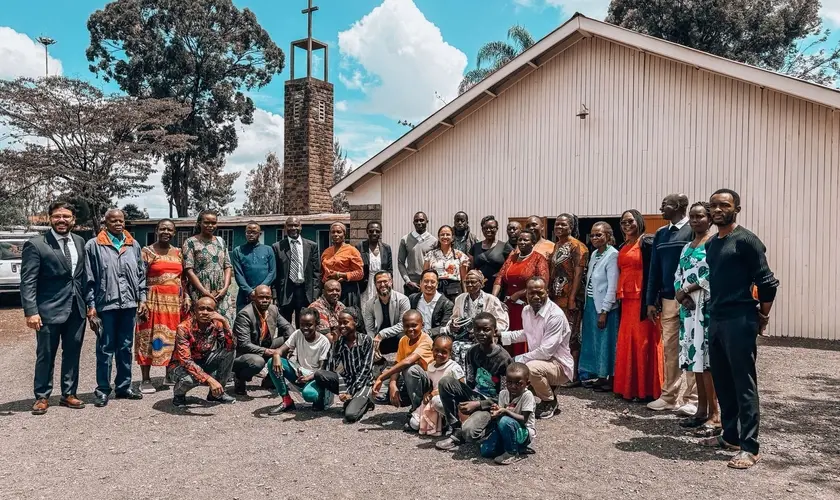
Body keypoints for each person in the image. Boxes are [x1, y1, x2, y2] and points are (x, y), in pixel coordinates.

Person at [700, 189, 779, 469]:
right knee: (723, 380)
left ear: (737, 209)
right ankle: (730, 436)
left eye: (725, 205)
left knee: (743, 382)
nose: (718, 209)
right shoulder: (711, 244)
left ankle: (750, 446)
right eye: (714, 205)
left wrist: (763, 315)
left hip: (740, 318)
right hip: (717, 318)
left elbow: (768, 282)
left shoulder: (746, 241)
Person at [21, 201, 89, 414]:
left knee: (72, 353)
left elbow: (81, 277)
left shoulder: (79, 241)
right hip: (48, 311)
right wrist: (31, 311)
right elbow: (28, 281)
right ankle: (42, 396)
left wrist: (89, 305)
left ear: (73, 220)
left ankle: (69, 394)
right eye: (57, 216)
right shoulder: (37, 244)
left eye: (66, 216)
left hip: (76, 309)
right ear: (50, 218)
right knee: (46, 355)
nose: (62, 220)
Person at [85, 208, 148, 407]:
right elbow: (89, 279)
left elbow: (141, 275)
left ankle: (123, 387)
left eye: (121, 220)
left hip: (129, 305)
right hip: (106, 306)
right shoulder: (94, 245)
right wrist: (91, 305)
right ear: (106, 223)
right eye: (113, 221)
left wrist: (142, 299)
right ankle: (102, 389)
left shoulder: (133, 244)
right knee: (105, 348)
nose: (118, 224)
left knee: (125, 347)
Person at [645, 194, 698, 415]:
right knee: (670, 349)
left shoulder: (694, 231)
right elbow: (654, 269)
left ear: (678, 207)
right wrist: (650, 300)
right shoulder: (661, 234)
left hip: (692, 300)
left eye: (665, 204)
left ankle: (693, 399)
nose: (660, 208)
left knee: (693, 347)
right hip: (668, 299)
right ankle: (669, 396)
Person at [435, 313, 512, 451]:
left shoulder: (504, 359)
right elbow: (470, 381)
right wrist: (465, 400)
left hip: (492, 404)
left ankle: (489, 427)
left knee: (469, 433)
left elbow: (505, 396)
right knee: (445, 382)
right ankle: (456, 430)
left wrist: (478, 405)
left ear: (495, 331)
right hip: (475, 395)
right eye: (477, 329)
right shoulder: (472, 352)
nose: (481, 333)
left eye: (486, 329)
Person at [674, 202, 720, 433]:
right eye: (692, 216)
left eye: (700, 216)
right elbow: (678, 273)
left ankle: (715, 413)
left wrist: (689, 289)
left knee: (708, 361)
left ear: (710, 219)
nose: (694, 220)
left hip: (706, 308)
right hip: (689, 311)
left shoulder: (713, 244)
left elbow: (714, 273)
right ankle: (701, 410)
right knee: (696, 361)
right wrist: (680, 294)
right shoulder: (687, 247)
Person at [500, 276, 572, 420]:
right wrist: (501, 336)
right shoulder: (526, 310)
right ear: (526, 293)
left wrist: (517, 359)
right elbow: (526, 333)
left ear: (547, 292)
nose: (536, 296)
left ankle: (549, 401)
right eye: (532, 293)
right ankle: (544, 388)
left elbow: (546, 352)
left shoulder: (555, 316)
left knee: (529, 368)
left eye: (540, 292)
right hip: (542, 362)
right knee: (524, 367)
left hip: (559, 365)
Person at [613, 210, 663, 401]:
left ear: (639, 222)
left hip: (643, 300)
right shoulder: (624, 245)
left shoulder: (647, 242)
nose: (627, 225)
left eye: (631, 221)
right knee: (628, 342)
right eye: (624, 222)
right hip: (627, 301)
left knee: (643, 344)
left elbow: (654, 272)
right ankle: (629, 387)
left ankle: (646, 390)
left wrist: (652, 302)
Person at [136, 219, 188, 394]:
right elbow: (140, 278)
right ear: (156, 230)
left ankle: (169, 374)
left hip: (174, 302)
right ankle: (145, 379)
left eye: (170, 229)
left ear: (174, 233)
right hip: (153, 301)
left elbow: (183, 278)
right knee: (148, 337)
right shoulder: (147, 252)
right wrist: (141, 301)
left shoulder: (179, 252)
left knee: (173, 338)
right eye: (163, 228)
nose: (166, 232)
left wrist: (186, 295)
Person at [311, 308, 376, 423]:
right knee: (320, 374)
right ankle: (351, 400)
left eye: (345, 322)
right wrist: (334, 344)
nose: (341, 326)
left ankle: (366, 401)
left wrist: (349, 392)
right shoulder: (340, 342)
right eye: (340, 323)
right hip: (347, 379)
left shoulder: (366, 340)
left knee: (350, 415)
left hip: (363, 383)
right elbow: (330, 369)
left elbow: (365, 371)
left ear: (355, 322)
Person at [169, 297, 237, 406]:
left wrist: (225, 323)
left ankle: (216, 394)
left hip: (203, 359)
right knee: (191, 379)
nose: (205, 313)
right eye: (201, 309)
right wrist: (210, 380)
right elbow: (186, 361)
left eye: (209, 309)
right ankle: (179, 394)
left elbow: (231, 347)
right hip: (180, 365)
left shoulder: (217, 324)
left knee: (229, 353)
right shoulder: (184, 328)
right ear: (194, 311)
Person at [493, 229, 549, 357]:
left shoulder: (538, 259)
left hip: (527, 304)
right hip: (509, 305)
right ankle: (508, 366)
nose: (522, 242)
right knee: (507, 336)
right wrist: (494, 298)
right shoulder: (512, 257)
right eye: (520, 240)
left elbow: (542, 282)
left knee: (522, 336)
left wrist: (518, 294)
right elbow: (500, 277)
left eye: (526, 240)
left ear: (533, 242)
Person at [548, 214, 589, 387]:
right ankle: (560, 371)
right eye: (557, 224)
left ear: (571, 226)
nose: (559, 227)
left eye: (563, 224)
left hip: (570, 298)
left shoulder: (578, 247)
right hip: (556, 298)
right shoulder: (557, 244)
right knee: (558, 335)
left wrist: (572, 298)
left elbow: (579, 274)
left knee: (572, 335)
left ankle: (574, 375)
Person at [266, 307, 332, 415]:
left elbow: (322, 369)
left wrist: (308, 378)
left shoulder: (324, 342)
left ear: (317, 324)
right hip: (300, 374)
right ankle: (286, 400)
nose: (305, 328)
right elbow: (280, 349)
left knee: (309, 395)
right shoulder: (297, 334)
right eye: (302, 325)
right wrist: (276, 355)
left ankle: (320, 398)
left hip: (315, 377)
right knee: (271, 362)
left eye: (309, 325)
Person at [372, 310, 435, 421]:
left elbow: (407, 361)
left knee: (410, 369)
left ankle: (418, 410)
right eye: (407, 326)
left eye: (414, 325)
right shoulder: (403, 340)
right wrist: (392, 384)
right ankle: (408, 400)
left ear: (422, 325)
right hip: (411, 381)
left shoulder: (426, 340)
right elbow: (397, 363)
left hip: (428, 383)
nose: (410, 329)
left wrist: (381, 377)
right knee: (376, 393)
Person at [232, 285, 295, 395]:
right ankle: (239, 377)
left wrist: (290, 345)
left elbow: (287, 327)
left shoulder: (273, 309)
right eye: (261, 297)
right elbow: (244, 344)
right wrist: (266, 351)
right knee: (258, 362)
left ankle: (270, 379)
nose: (265, 300)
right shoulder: (245, 314)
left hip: (264, 344)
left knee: (287, 342)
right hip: (244, 354)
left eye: (267, 297)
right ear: (254, 297)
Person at [579, 222, 620, 389]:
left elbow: (612, 285)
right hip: (590, 303)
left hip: (604, 306)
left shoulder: (612, 255)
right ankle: (600, 375)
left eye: (599, 235)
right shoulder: (595, 253)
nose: (595, 238)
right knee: (594, 341)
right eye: (593, 235)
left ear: (608, 236)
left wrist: (604, 310)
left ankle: (610, 377)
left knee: (606, 342)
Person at [443, 269, 509, 368]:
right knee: (455, 347)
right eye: (467, 282)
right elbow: (454, 318)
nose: (469, 285)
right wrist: (452, 325)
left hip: (484, 338)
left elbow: (503, 323)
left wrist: (484, 331)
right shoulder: (460, 298)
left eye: (473, 282)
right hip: (463, 338)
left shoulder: (491, 299)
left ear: (481, 284)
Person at [183, 210, 235, 325]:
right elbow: (188, 270)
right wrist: (204, 291)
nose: (210, 226)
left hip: (220, 291)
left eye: (213, 223)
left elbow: (227, 266)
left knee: (223, 323)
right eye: (206, 222)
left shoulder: (221, 242)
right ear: (199, 223)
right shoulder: (190, 242)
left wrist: (225, 288)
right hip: (199, 289)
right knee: (201, 324)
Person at [479, 362, 537, 465]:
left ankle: (512, 453)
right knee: (485, 451)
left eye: (518, 383)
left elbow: (524, 419)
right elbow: (499, 417)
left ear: (527, 383)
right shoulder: (503, 393)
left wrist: (505, 411)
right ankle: (514, 447)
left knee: (505, 420)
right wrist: (496, 411)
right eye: (509, 383)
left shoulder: (527, 395)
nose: (513, 386)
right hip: (506, 429)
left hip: (523, 431)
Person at [408, 336, 465, 436]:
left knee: (437, 402)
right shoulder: (431, 366)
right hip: (431, 400)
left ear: (450, 354)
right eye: (436, 350)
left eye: (444, 352)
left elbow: (462, 387)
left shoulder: (453, 367)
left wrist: (439, 392)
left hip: (447, 401)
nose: (439, 354)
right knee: (414, 424)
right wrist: (427, 392)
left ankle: (452, 423)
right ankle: (439, 423)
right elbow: (431, 384)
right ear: (432, 350)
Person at [378, 270, 454, 341]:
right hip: (414, 338)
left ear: (437, 285)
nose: (429, 285)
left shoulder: (447, 304)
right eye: (426, 281)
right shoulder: (413, 299)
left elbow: (444, 328)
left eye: (433, 282)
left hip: (434, 340)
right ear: (420, 283)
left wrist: (426, 333)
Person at [273, 216, 321, 328]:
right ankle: (286, 345)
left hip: (305, 291)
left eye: (296, 225)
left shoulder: (311, 246)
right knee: (284, 326)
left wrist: (315, 295)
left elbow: (316, 273)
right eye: (290, 225)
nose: (293, 228)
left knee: (305, 325)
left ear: (301, 227)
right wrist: (275, 295)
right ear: (285, 228)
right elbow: (275, 273)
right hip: (285, 291)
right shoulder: (277, 247)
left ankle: (302, 345)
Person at [231, 222, 276, 311]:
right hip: (245, 294)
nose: (251, 235)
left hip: (263, 295)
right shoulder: (238, 250)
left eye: (254, 232)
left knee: (263, 321)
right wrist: (249, 291)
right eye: (248, 232)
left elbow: (272, 272)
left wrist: (260, 290)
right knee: (243, 320)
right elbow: (238, 274)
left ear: (259, 234)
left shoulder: (268, 249)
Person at [364, 271, 411, 355]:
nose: (382, 284)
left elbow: (403, 325)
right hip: (380, 339)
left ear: (391, 281)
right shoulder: (369, 304)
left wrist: (382, 334)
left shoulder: (403, 300)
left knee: (404, 337)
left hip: (396, 335)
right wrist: (372, 344)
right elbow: (369, 329)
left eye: (385, 281)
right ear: (375, 284)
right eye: (379, 282)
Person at [321, 222, 364, 309]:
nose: (335, 234)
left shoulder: (352, 250)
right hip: (330, 291)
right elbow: (322, 272)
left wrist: (341, 275)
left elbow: (360, 273)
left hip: (347, 290)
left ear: (344, 234)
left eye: (338, 232)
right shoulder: (326, 252)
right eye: (333, 232)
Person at [423, 225, 469, 301]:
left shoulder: (460, 256)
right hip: (436, 289)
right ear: (438, 237)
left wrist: (466, 295)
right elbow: (425, 276)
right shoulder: (430, 255)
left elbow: (464, 279)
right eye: (442, 234)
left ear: (452, 237)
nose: (445, 237)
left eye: (448, 234)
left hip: (455, 290)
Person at [469, 215, 513, 293]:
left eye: (492, 228)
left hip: (498, 288)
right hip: (479, 288)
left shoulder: (504, 246)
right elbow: (471, 269)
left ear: (497, 229)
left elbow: (510, 267)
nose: (488, 230)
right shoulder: (475, 247)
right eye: (485, 228)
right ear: (482, 229)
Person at [398, 211, 437, 295]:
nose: (419, 223)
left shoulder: (434, 241)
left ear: (427, 221)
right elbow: (400, 262)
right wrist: (407, 281)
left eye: (422, 220)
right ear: (413, 222)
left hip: (428, 283)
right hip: (412, 284)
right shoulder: (405, 239)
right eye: (416, 220)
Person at [357, 221, 393, 305]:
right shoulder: (360, 246)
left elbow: (389, 269)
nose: (374, 233)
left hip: (382, 282)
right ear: (367, 231)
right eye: (371, 231)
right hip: (366, 284)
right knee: (366, 306)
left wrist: (390, 285)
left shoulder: (386, 248)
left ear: (380, 232)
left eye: (377, 231)